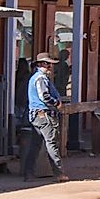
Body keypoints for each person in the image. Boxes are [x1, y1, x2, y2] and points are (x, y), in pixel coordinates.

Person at [24, 52, 69, 182]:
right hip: (43, 116)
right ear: (41, 64)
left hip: (36, 115)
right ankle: (59, 173)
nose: (50, 66)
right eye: (48, 64)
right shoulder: (41, 79)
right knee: (51, 144)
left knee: (35, 146)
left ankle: (29, 173)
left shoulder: (36, 77)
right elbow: (44, 97)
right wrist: (57, 103)